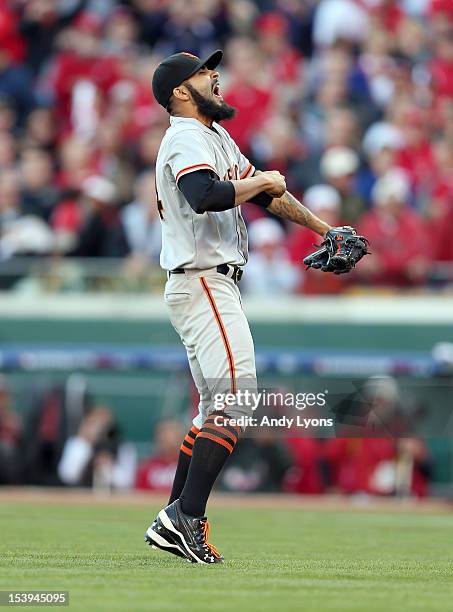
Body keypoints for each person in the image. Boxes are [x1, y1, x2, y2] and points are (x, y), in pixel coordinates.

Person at [144, 48, 357, 564]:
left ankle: (175, 517)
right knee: (235, 402)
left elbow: (268, 195)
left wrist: (326, 231)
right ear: (179, 91)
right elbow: (204, 194)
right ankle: (184, 519)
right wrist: (261, 181)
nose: (214, 76)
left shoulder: (213, 135)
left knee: (213, 408)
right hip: (203, 280)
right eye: (202, 72)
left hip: (210, 283)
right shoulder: (185, 135)